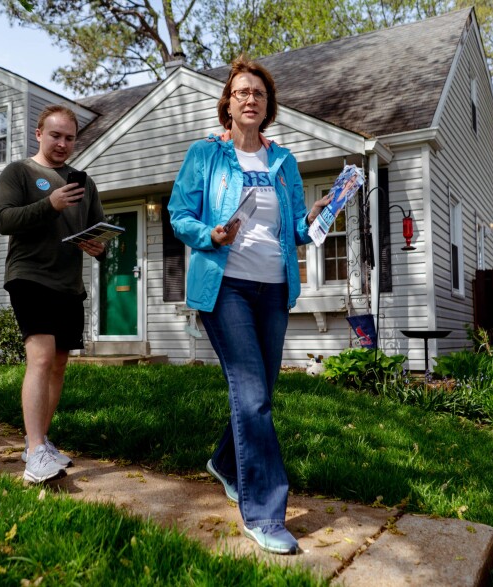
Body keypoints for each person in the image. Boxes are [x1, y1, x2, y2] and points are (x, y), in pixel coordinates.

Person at [168, 55, 332, 555]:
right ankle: (264, 513)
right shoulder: (206, 155)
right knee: (253, 396)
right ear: (228, 102)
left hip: (275, 289)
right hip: (227, 287)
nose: (250, 99)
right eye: (241, 91)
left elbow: (293, 232)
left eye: (258, 93)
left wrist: (316, 217)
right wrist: (210, 233)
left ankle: (225, 461)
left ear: (267, 105)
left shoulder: (283, 162)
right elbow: (179, 214)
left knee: (260, 395)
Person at [0, 104, 106, 484]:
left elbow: (97, 229)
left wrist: (98, 246)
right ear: (38, 134)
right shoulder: (20, 172)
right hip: (29, 276)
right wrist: (50, 204)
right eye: (55, 135)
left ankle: (38, 442)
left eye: (69, 137)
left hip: (69, 283)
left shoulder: (84, 182)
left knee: (58, 364)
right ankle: (36, 450)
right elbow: (4, 220)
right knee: (40, 358)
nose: (62, 144)